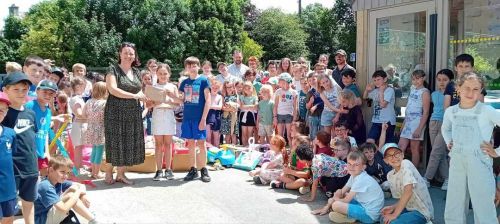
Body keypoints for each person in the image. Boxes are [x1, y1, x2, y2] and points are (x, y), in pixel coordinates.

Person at [442, 72, 500, 223]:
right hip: (457, 161)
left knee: (483, 201)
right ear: (458, 88)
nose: (470, 92)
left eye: (476, 89)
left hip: (479, 162)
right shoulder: (451, 111)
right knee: (455, 200)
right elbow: (445, 128)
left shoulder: (487, 111)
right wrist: (449, 141)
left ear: (481, 91)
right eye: (466, 88)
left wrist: (497, 152)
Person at [104, 42, 147, 185]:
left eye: (131, 53)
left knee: (128, 142)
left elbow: (139, 90)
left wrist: (144, 96)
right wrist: (134, 96)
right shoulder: (113, 69)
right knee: (115, 142)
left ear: (135, 56)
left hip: (133, 112)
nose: (129, 56)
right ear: (120, 54)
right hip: (115, 111)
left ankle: (121, 174)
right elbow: (113, 89)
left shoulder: (136, 72)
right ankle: (109, 171)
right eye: (126, 52)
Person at [2, 72, 38, 224]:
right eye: (16, 89)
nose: (21, 93)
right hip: (11, 170)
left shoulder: (30, 113)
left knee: (29, 203)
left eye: (24, 90)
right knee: (7, 212)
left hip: (31, 167)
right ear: (5, 90)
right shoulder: (3, 113)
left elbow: (32, 139)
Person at [170, 57, 212, 182]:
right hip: (187, 118)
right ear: (186, 68)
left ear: (198, 67)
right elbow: (182, 100)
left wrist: (204, 119)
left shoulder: (204, 80)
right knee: (191, 144)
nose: (191, 68)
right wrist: (171, 95)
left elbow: (208, 100)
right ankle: (193, 170)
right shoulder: (184, 83)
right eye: (189, 66)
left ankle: (203, 169)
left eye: (194, 65)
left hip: (199, 118)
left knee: (201, 144)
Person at [320, 151, 384, 224]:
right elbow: (342, 191)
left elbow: (346, 200)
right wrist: (333, 199)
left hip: (370, 215)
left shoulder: (361, 179)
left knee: (335, 205)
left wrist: (332, 201)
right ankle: (349, 216)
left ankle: (351, 218)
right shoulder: (354, 175)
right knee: (336, 198)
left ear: (363, 167)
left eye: (356, 165)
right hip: (362, 204)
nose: (351, 167)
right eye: (349, 164)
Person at [379, 143, 434, 224]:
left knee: (393, 222)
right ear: (385, 160)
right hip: (408, 207)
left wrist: (394, 214)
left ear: (402, 155)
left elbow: (408, 192)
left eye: (396, 154)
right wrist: (393, 207)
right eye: (389, 156)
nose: (394, 157)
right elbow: (403, 198)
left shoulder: (406, 163)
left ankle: (427, 221)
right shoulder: (390, 175)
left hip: (421, 211)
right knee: (384, 219)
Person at [34, 155, 97, 224]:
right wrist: (78, 193)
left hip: (50, 214)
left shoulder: (57, 180)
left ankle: (91, 218)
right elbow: (64, 208)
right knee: (71, 195)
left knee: (73, 190)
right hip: (42, 220)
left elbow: (81, 185)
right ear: (51, 170)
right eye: (62, 172)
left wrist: (83, 196)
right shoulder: (45, 186)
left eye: (68, 173)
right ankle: (93, 220)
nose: (66, 176)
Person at [424, 69, 453, 190]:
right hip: (433, 122)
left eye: (445, 80)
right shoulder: (434, 94)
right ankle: (446, 179)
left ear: (450, 81)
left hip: (446, 124)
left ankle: (427, 178)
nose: (441, 82)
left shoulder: (452, 93)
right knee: (439, 153)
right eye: (439, 80)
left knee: (436, 151)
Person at [25, 80, 60, 177]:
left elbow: (45, 133)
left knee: (44, 175)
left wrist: (47, 152)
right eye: (44, 92)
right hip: (29, 151)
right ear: (37, 91)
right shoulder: (30, 106)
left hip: (41, 152)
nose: (48, 95)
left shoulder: (48, 111)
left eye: (51, 93)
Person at [150, 63, 178, 181]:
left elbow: (178, 104)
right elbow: (149, 104)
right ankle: (158, 170)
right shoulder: (153, 87)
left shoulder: (172, 87)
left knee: (168, 144)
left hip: (169, 115)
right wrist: (153, 103)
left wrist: (169, 99)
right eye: (160, 73)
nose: (162, 75)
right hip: (157, 115)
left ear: (169, 74)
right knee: (158, 144)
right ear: (157, 74)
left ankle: (168, 169)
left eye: (165, 73)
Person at [398, 70, 430, 167]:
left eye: (418, 78)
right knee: (400, 147)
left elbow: (426, 112)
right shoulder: (412, 89)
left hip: (417, 121)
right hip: (408, 120)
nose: (415, 81)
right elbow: (409, 107)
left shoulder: (425, 92)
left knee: (414, 148)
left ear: (423, 78)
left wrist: (419, 128)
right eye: (413, 79)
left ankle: (413, 172)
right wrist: (403, 123)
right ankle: (398, 169)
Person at [363, 70, 396, 144]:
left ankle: (382, 155)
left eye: (378, 79)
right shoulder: (375, 90)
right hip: (376, 121)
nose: (376, 82)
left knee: (387, 144)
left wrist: (381, 92)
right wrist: (366, 90)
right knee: (370, 141)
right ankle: (374, 155)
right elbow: (366, 100)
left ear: (385, 79)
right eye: (374, 80)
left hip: (387, 121)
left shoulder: (389, 90)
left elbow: (383, 105)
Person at [82, 82, 107, 179]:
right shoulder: (104, 103)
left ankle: (93, 171)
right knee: (99, 151)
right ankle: (97, 173)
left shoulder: (88, 101)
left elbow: (83, 114)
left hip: (91, 127)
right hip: (100, 128)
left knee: (94, 150)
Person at [0, 92, 17, 224]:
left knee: (8, 218)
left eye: (2, 110)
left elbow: (13, 159)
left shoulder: (10, 134)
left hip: (8, 188)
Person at [69, 77, 88, 174]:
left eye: (83, 85)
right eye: (81, 85)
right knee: (78, 148)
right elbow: (79, 113)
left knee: (80, 147)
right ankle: (77, 168)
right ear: (76, 86)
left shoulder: (78, 98)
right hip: (79, 125)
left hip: (80, 125)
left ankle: (79, 166)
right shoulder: (76, 99)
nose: (83, 87)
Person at [273, 73, 297, 144]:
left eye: (286, 83)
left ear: (290, 82)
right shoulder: (278, 91)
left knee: (289, 135)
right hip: (280, 114)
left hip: (289, 115)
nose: (284, 85)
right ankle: (281, 151)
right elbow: (275, 105)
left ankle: (292, 151)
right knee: (280, 135)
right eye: (282, 83)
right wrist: (275, 117)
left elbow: (295, 107)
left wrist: (294, 119)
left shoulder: (293, 92)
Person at [239, 81, 258, 146]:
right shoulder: (242, 97)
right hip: (243, 115)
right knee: (244, 133)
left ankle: (249, 147)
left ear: (252, 88)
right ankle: (244, 146)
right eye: (245, 88)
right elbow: (241, 107)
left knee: (250, 133)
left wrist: (246, 107)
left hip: (251, 116)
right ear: (243, 89)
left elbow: (255, 107)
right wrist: (251, 106)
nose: (247, 90)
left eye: (249, 88)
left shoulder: (255, 97)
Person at [306, 72, 323, 140]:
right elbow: (307, 106)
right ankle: (313, 148)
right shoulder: (310, 92)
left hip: (322, 114)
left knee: (322, 133)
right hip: (313, 115)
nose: (312, 82)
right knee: (313, 133)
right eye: (309, 80)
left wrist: (316, 105)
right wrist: (310, 102)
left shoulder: (323, 90)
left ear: (318, 79)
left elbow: (325, 102)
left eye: (313, 79)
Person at [206, 79, 222, 147]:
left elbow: (220, 107)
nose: (215, 89)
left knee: (216, 137)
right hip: (207, 116)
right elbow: (205, 106)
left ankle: (216, 151)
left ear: (219, 89)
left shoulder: (219, 97)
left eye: (216, 88)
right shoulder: (207, 95)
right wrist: (213, 107)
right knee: (208, 137)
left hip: (216, 116)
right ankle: (208, 152)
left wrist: (210, 106)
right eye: (213, 87)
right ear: (210, 87)